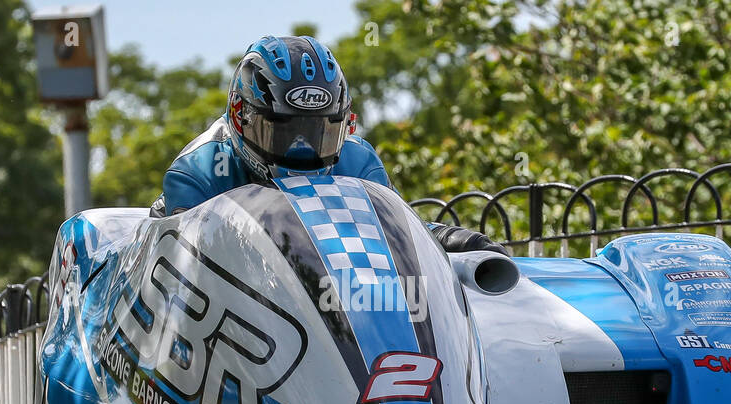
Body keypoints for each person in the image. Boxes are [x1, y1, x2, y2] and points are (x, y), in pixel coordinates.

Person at [155, 34, 506, 254]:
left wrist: (446, 238)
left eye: (319, 132)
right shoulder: (197, 173)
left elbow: (399, 235)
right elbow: (185, 269)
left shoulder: (359, 163)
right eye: (283, 132)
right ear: (239, 115)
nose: (303, 150)